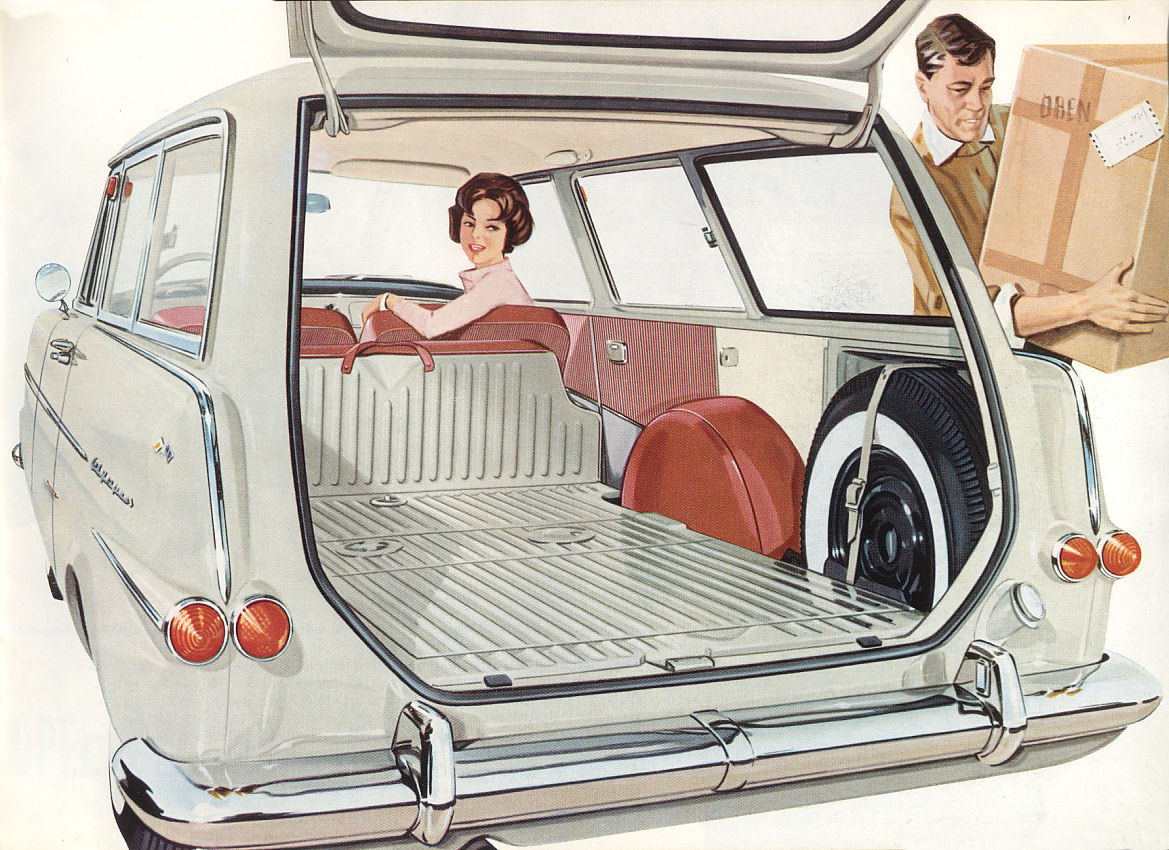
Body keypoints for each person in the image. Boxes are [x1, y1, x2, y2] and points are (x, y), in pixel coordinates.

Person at [890, 13, 1167, 338]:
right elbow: (956, 311)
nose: (977, 104)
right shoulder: (911, 187)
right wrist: (1085, 305)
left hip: (1053, 338)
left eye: (986, 87)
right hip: (969, 360)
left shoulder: (1014, 123)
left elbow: (1084, 149)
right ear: (923, 87)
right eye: (960, 89)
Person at [361, 172, 535, 338]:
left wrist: (388, 300)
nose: (476, 234)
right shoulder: (498, 280)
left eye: (491, 227)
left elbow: (431, 326)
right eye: (469, 223)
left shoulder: (498, 283)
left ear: (510, 233)